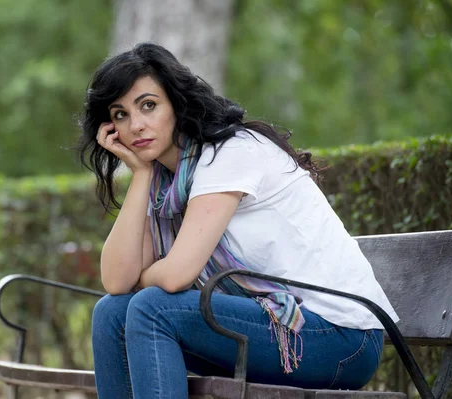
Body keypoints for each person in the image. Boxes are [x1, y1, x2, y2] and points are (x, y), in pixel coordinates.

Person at [77, 42, 398, 399]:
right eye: (120, 114)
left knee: (153, 307)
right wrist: (140, 177)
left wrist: (145, 275)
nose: (135, 125)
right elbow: (117, 281)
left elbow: (175, 275)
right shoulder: (165, 184)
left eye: (148, 105)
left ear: (176, 104)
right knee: (112, 314)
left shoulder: (229, 153)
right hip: (273, 331)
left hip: (340, 337)